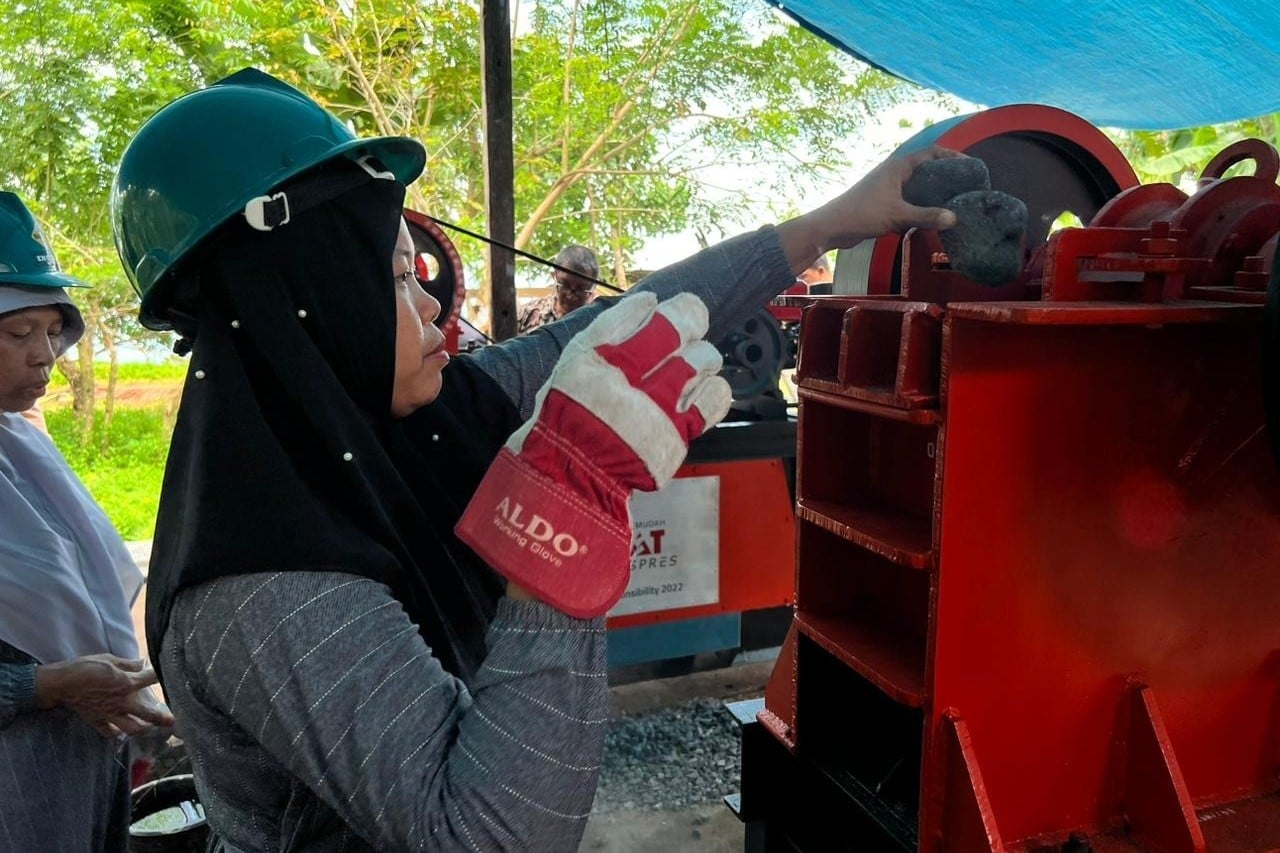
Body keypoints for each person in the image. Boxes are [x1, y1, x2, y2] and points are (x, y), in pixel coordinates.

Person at [111, 68, 957, 852]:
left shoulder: (391, 427)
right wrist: (557, 524)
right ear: (310, 296)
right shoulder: (267, 580)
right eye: (399, 279)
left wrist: (829, 222)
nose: (433, 309)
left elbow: (615, 325)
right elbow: (493, 833)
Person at [0, 191, 173, 852]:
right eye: (19, 333)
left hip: (76, 785)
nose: (46, 355)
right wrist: (44, 685)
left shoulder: (24, 450)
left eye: (52, 330)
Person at [517, 244, 600, 333]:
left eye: (581, 289)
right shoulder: (527, 315)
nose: (570, 296)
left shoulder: (600, 323)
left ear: (593, 286)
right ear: (554, 276)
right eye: (565, 284)